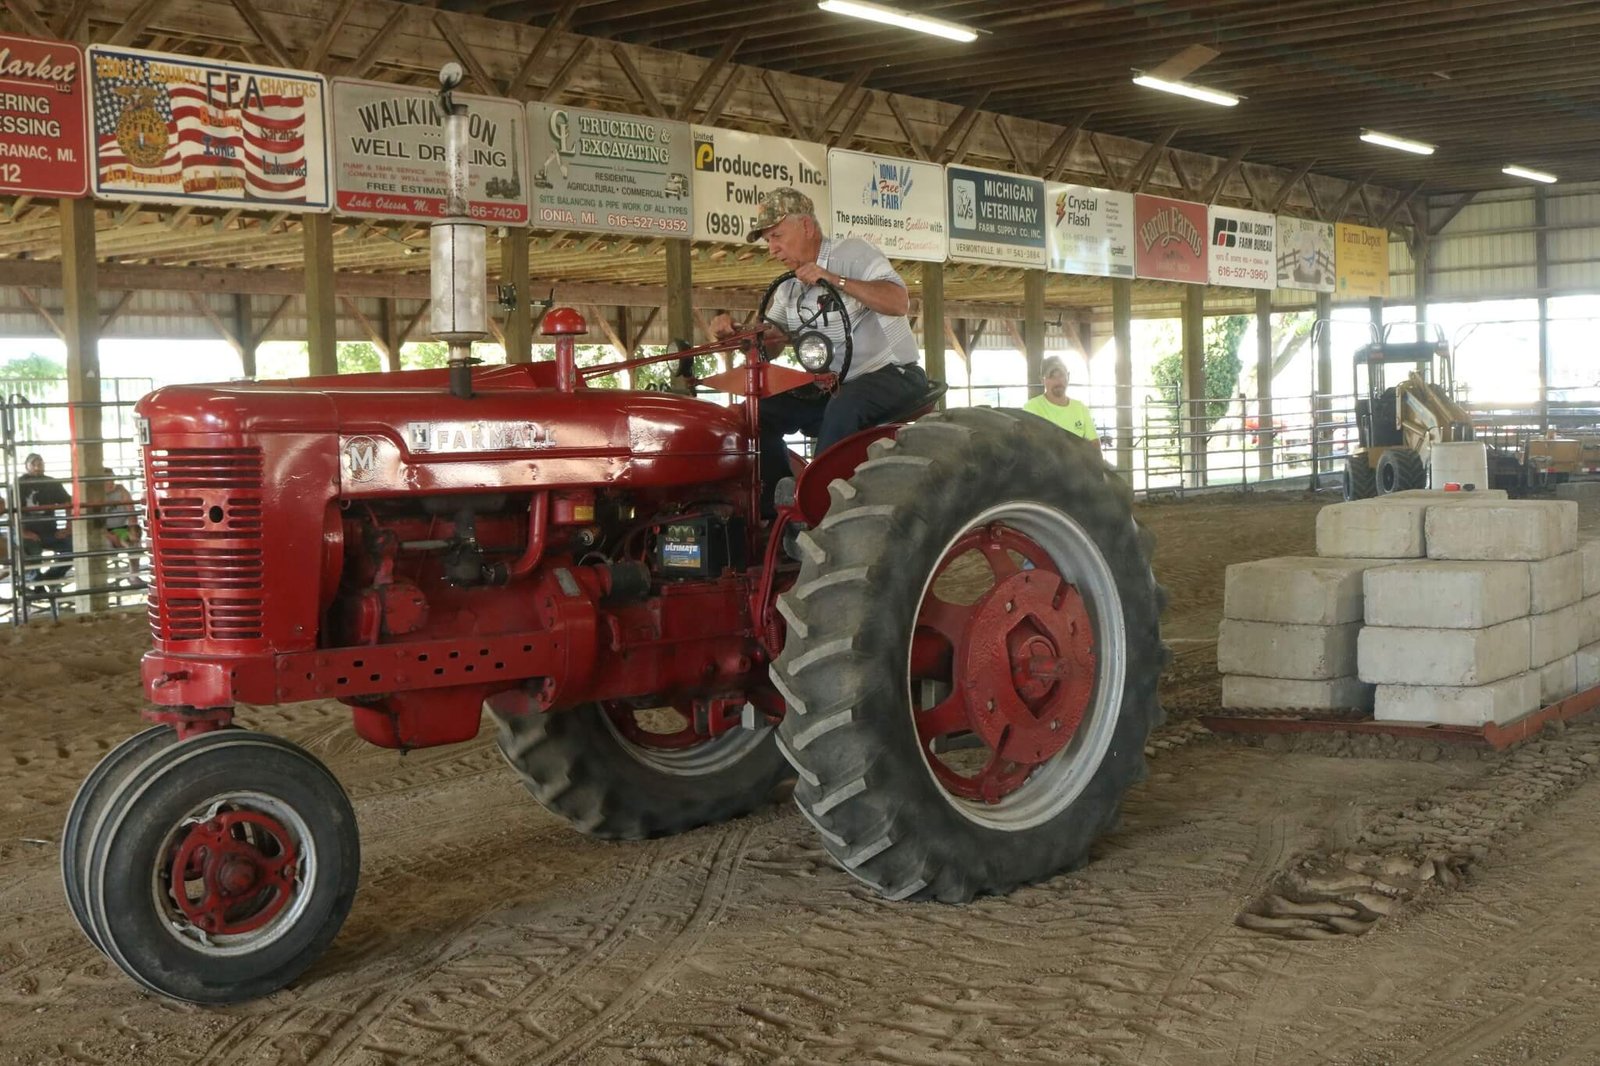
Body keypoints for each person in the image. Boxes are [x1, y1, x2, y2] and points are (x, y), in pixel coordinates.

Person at [708, 187, 927, 518]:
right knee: (755, 413)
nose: (772, 248)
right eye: (768, 240)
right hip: (833, 386)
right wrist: (739, 333)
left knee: (844, 405)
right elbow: (772, 341)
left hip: (892, 374)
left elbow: (898, 302)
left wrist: (834, 279)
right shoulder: (789, 287)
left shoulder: (852, 254)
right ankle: (777, 508)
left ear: (807, 226)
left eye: (777, 236)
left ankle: (817, 509)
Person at [17, 452, 73, 589]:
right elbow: (12, 509)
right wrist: (22, 532)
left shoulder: (52, 483)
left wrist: (68, 527)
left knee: (73, 547)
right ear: (26, 466)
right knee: (33, 551)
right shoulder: (18, 484)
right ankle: (37, 583)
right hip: (26, 533)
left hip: (49, 532)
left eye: (40, 463)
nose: (37, 467)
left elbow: (68, 503)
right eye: (33, 464)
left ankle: (48, 578)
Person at [1023, 356, 1100, 446]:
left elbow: (1094, 443)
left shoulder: (1081, 408)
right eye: (1052, 376)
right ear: (1042, 380)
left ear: (1068, 377)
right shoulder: (1031, 408)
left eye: (1061, 375)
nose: (1058, 381)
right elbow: (1028, 445)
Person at [101, 468, 145, 586]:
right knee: (102, 547)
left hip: (122, 529)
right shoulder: (97, 495)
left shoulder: (121, 490)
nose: (110, 482)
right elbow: (95, 523)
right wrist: (109, 536)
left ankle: (134, 576)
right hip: (104, 532)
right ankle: (102, 582)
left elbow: (131, 513)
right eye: (106, 479)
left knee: (134, 543)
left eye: (112, 478)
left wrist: (133, 530)